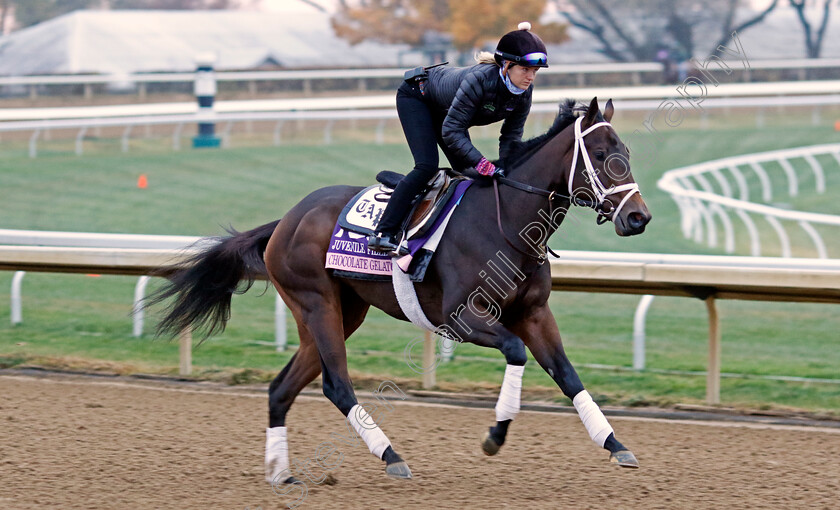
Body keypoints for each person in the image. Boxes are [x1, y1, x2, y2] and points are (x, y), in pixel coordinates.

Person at [368, 22, 549, 253]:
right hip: (417, 97)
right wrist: (484, 164)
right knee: (426, 166)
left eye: (535, 71)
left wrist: (506, 167)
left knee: (470, 176)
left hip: (447, 112)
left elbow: (511, 135)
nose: (531, 77)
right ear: (506, 66)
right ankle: (384, 232)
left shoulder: (524, 92)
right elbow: (452, 131)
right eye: (525, 70)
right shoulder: (480, 80)